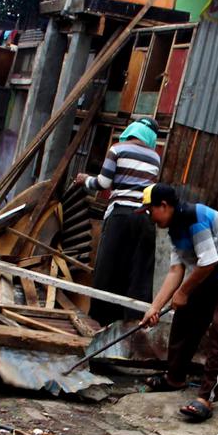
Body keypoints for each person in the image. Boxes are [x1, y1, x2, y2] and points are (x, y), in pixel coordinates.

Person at [136, 184, 218, 422]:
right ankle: (174, 378)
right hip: (216, 274)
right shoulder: (174, 230)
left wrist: (183, 292)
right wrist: (155, 308)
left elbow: (208, 263)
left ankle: (206, 397)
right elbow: (175, 271)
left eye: (150, 210)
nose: (150, 217)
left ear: (164, 206)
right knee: (185, 315)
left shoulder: (194, 218)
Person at [73, 117, 161, 325]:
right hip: (144, 219)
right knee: (138, 272)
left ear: (131, 131)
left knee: (109, 269)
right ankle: (133, 323)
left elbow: (103, 183)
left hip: (120, 216)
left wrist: (85, 180)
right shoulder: (155, 157)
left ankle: (101, 321)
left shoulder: (117, 149)